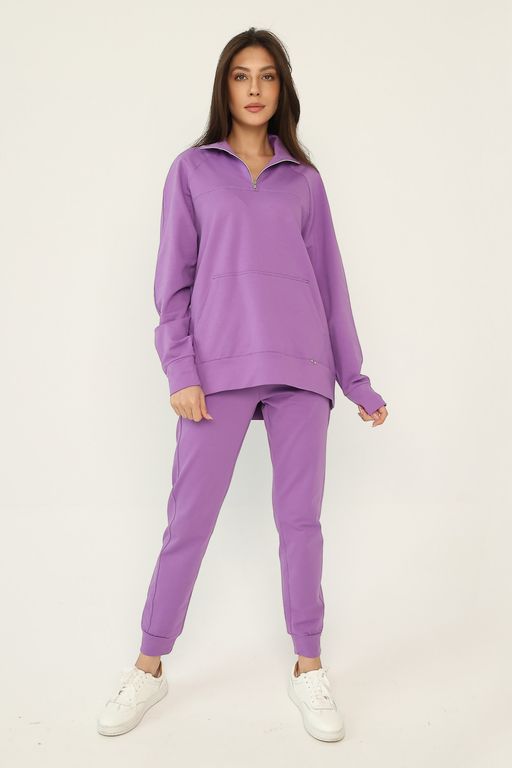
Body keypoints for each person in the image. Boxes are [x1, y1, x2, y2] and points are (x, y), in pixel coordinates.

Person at [97, 26, 388, 742]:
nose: (254, 89)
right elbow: (173, 284)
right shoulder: (192, 171)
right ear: (223, 87)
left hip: (301, 369)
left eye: (267, 76)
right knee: (188, 523)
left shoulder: (305, 182)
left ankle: (308, 666)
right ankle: (149, 667)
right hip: (217, 370)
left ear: (282, 89)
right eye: (241, 75)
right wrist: (181, 370)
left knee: (301, 523)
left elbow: (330, 286)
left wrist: (354, 379)